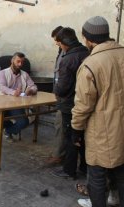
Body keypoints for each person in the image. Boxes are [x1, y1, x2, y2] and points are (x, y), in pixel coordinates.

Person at [71, 16, 124, 207]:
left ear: (88, 38)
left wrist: (75, 129)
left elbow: (83, 105)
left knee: (97, 176)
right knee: (120, 171)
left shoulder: (91, 64)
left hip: (103, 132)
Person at [51, 27, 89, 179]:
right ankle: (84, 168)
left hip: (70, 104)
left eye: (58, 44)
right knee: (83, 137)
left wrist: (56, 90)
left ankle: (69, 170)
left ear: (63, 43)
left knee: (70, 138)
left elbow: (63, 87)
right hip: (84, 102)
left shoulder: (68, 59)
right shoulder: (87, 53)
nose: (59, 47)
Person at [0, 52, 37, 142]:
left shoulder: (24, 74)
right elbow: (2, 87)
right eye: (18, 61)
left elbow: (33, 86)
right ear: (12, 61)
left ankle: (8, 131)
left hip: (15, 105)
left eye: (22, 62)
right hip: (1, 103)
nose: (20, 64)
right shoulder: (2, 73)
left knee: (24, 122)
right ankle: (9, 129)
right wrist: (13, 92)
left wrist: (31, 90)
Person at [46, 25, 67, 165]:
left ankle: (58, 155)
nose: (56, 43)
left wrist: (59, 92)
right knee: (60, 125)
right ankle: (59, 152)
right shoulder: (61, 52)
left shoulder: (68, 54)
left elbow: (64, 78)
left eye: (57, 41)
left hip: (65, 97)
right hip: (60, 95)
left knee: (60, 125)